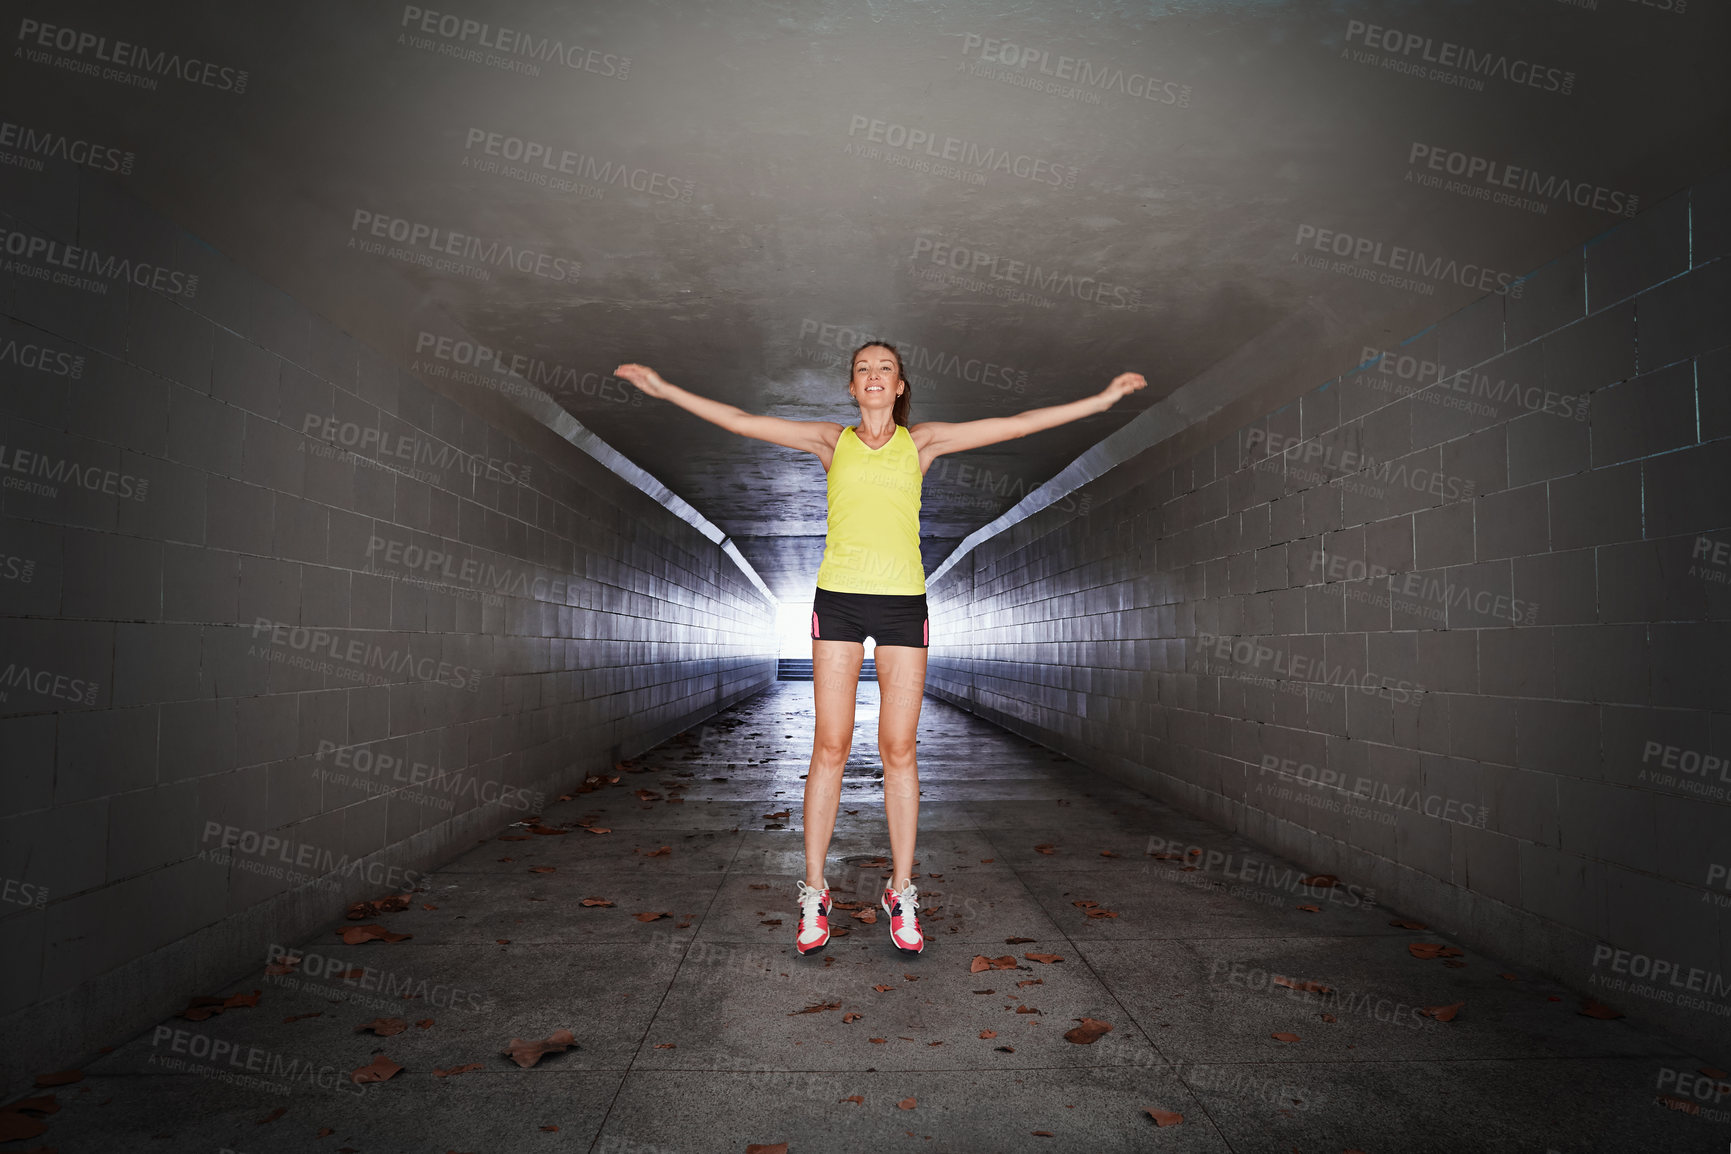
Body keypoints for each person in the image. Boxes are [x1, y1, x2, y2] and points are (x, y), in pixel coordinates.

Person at [615, 345, 1145, 956]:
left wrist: (1102, 401)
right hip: (838, 600)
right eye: (864, 368)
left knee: (898, 747)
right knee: (831, 743)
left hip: (901, 605)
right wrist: (664, 389)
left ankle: (900, 888)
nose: (873, 376)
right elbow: (741, 421)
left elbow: (1016, 424)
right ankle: (815, 890)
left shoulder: (921, 443)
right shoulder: (828, 441)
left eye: (884, 369)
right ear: (851, 387)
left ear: (899, 387)